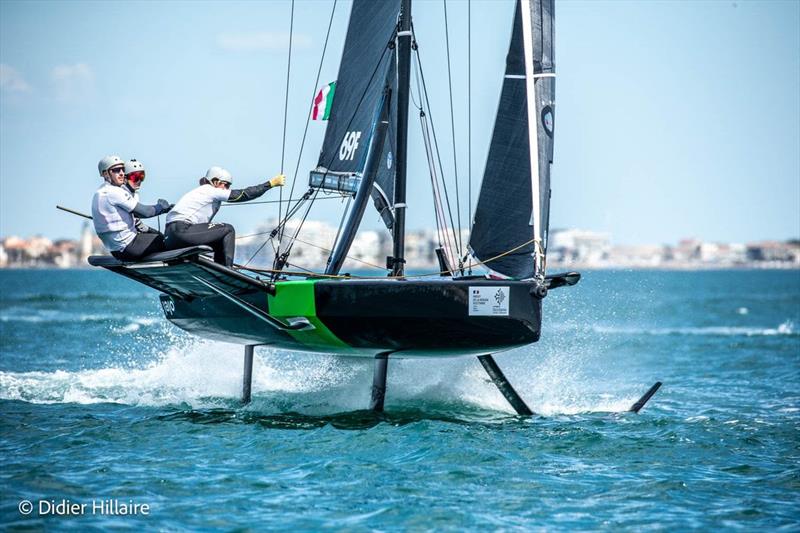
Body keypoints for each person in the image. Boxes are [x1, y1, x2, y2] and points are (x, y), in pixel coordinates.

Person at [165, 166, 285, 267]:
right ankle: (227, 272)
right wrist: (270, 184)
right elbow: (243, 195)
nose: (227, 189)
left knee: (218, 240)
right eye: (226, 185)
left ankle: (216, 274)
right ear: (215, 182)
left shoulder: (198, 192)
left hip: (170, 238)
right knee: (228, 229)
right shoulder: (210, 189)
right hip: (182, 232)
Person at [91, 155, 172, 261]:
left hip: (116, 250)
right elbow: (145, 213)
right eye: (116, 170)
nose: (121, 173)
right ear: (105, 174)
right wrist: (161, 207)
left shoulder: (100, 192)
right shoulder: (114, 192)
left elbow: (136, 218)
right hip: (129, 247)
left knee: (157, 236)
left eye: (123, 169)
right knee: (166, 240)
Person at [122, 159, 166, 239]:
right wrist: (160, 207)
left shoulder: (135, 194)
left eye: (141, 177)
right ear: (125, 178)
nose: (139, 181)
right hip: (125, 239)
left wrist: (153, 231)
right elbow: (144, 213)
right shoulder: (122, 193)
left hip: (132, 233)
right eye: (135, 177)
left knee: (161, 237)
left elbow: (137, 222)